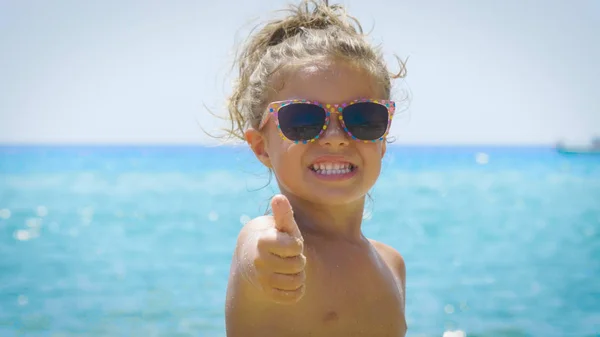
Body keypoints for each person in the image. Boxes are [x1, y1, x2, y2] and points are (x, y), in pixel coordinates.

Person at [222, 0, 407, 336]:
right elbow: (257, 251)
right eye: (303, 120)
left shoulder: (392, 264)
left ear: (382, 139)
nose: (335, 138)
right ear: (262, 146)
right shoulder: (274, 244)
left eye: (363, 118)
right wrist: (270, 259)